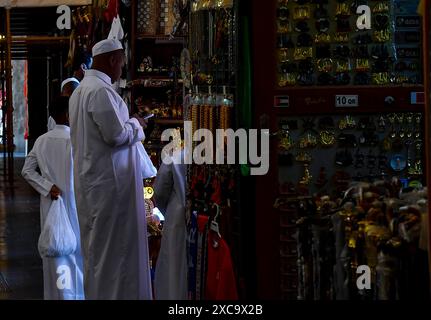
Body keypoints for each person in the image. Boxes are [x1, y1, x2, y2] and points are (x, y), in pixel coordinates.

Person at [69, 38, 152, 300]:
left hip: (93, 185)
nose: (122, 70)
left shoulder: (81, 90)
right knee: (115, 256)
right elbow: (115, 135)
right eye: (122, 63)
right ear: (113, 60)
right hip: (110, 190)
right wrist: (137, 124)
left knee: (97, 253)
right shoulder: (101, 92)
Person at [21, 96, 84, 300]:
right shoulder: (77, 141)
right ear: (68, 114)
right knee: (77, 254)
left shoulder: (42, 141)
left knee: (55, 250)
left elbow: (27, 171)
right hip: (77, 206)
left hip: (51, 206)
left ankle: (57, 295)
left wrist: (48, 187)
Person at [153, 149, 187, 300]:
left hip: (177, 220)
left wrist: (169, 212)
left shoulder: (176, 156)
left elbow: (159, 192)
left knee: (174, 272)